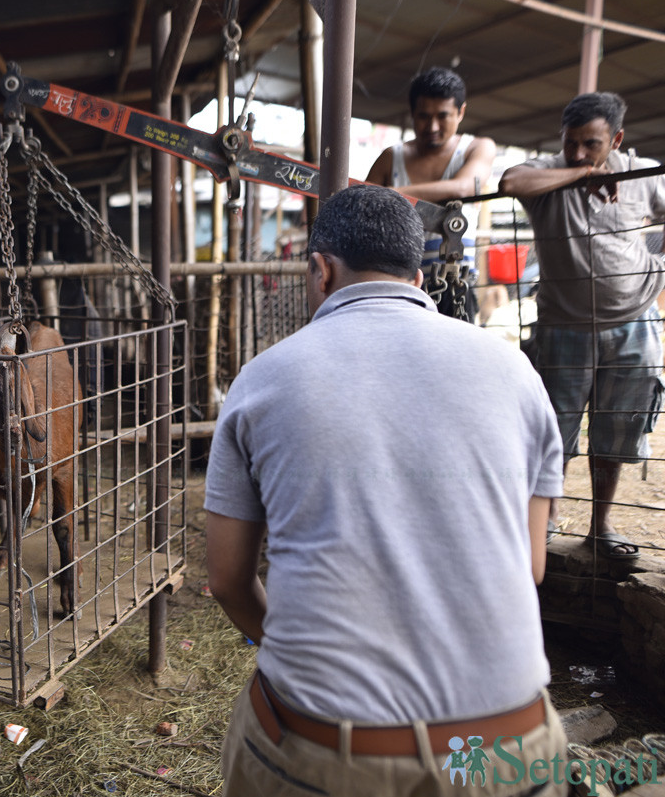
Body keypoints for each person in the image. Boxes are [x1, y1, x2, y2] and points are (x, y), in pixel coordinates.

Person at [205, 185, 567, 796]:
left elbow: (226, 579)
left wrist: (293, 647)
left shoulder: (263, 379)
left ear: (321, 270)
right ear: (420, 279)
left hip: (330, 755)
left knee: (259, 723)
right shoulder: (516, 373)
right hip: (510, 748)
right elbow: (530, 566)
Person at [500, 92, 665, 561]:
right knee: (555, 430)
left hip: (634, 323)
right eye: (570, 142)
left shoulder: (642, 173)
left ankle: (601, 525)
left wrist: (655, 260)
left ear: (616, 139)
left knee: (614, 431)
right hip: (563, 326)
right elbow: (512, 180)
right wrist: (584, 173)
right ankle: (547, 522)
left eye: (590, 145)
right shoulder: (549, 171)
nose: (576, 151)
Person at [366, 66, 497, 323]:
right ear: (412, 114)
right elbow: (364, 203)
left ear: (461, 112)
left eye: (443, 116)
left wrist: (391, 194)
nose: (432, 126)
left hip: (454, 287)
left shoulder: (477, 148)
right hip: (398, 287)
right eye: (423, 116)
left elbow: (463, 187)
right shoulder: (392, 158)